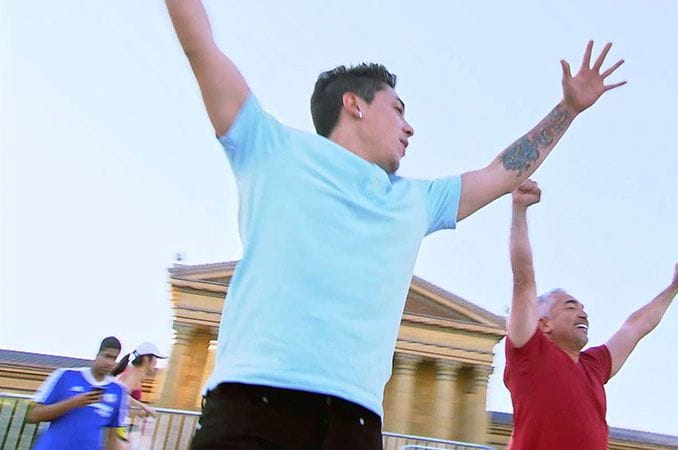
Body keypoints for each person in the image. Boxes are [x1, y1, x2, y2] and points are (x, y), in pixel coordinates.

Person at [165, 1, 625, 448]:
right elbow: (200, 45)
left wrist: (568, 109)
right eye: (398, 109)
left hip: (355, 422)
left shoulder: (414, 200)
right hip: (254, 406)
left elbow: (503, 171)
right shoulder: (271, 148)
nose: (409, 127)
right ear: (355, 105)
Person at [504, 180, 678, 450]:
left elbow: (636, 326)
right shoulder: (529, 352)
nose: (582, 313)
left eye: (583, 308)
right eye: (570, 306)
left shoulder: (594, 365)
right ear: (543, 323)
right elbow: (523, 275)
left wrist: (674, 287)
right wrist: (520, 209)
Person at [26, 336, 128, 450]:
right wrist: (74, 402)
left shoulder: (118, 390)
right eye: (106, 356)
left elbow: (111, 437)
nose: (109, 362)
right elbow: (33, 415)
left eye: (114, 358)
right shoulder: (66, 375)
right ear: (97, 355)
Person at [111, 342, 168, 447]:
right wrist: (144, 407)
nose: (156, 362)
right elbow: (122, 395)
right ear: (146, 359)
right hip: (117, 424)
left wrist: (139, 411)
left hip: (118, 423)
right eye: (155, 358)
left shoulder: (130, 370)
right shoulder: (136, 373)